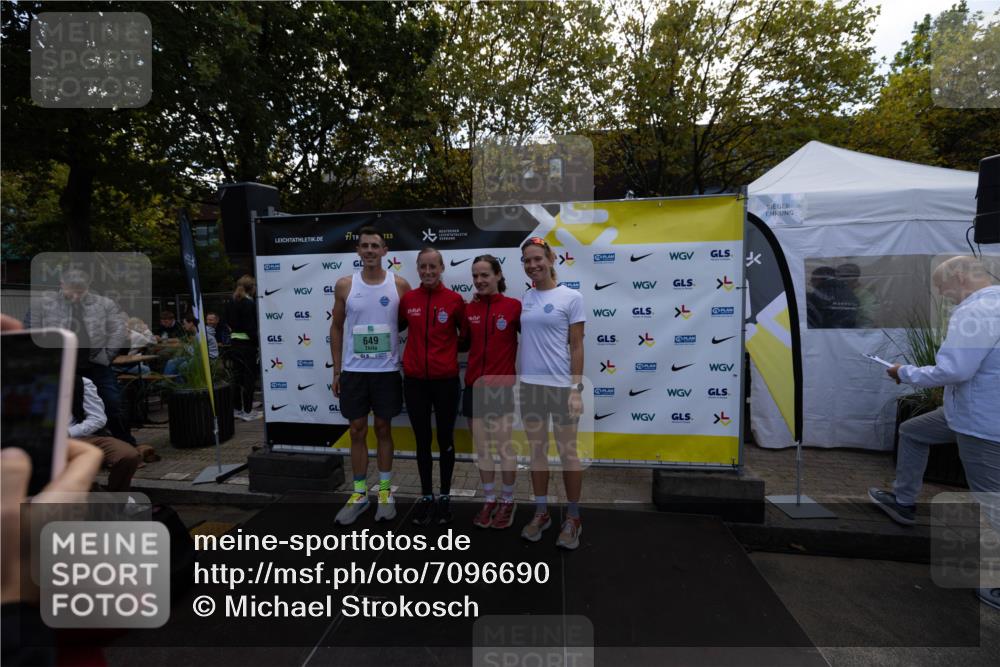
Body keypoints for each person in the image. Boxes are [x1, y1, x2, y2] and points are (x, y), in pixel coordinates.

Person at [867, 256, 999, 610]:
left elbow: (954, 370)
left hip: (982, 423)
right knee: (912, 431)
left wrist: (903, 372)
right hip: (973, 412)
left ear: (959, 277)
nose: (943, 296)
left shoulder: (974, 312)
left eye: (942, 288)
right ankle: (903, 501)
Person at [330, 227, 411, 525]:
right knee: (356, 430)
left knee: (384, 429)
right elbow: (336, 327)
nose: (369, 251)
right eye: (364, 246)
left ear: (385, 251)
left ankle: (386, 493)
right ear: (358, 252)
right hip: (354, 372)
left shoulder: (399, 284)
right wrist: (336, 369)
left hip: (387, 373)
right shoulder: (344, 285)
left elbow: (409, 323)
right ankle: (360, 493)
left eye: (375, 246)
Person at [517, 236, 586, 549]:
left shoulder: (571, 297)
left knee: (569, 454)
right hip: (531, 388)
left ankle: (573, 518)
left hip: (561, 388)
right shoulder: (526, 298)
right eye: (527, 261)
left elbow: (577, 346)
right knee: (537, 453)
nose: (533, 265)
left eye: (537, 259)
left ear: (550, 259)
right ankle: (542, 512)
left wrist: (576, 389)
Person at [24, 269, 136, 447]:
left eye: (80, 291)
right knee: (64, 408)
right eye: (72, 291)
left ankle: (127, 445)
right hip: (61, 366)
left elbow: (118, 330)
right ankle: (66, 447)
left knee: (113, 404)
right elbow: (30, 332)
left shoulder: (104, 304)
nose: (76, 296)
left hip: (96, 364)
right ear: (62, 285)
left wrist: (107, 356)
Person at [398, 247, 466, 526]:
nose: (428, 272)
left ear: (441, 268)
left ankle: (445, 497)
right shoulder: (408, 299)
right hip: (415, 382)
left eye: (433, 267)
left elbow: (465, 338)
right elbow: (400, 328)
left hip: (446, 382)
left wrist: (446, 354)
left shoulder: (454, 300)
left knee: (445, 440)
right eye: (423, 267)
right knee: (422, 441)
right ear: (417, 268)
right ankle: (426, 497)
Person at [462, 255, 521, 530]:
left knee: (504, 446)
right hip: (473, 386)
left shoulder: (514, 307)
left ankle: (507, 500)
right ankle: (489, 499)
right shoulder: (468, 310)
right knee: (482, 447)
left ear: (498, 275)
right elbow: (461, 343)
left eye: (485, 274)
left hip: (500, 388)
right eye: (475, 276)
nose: (479, 280)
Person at [69, 375, 140, 492]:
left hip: (78, 436)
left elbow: (98, 418)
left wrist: (69, 432)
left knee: (128, 455)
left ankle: (117, 501)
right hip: (43, 441)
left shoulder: (80, 382)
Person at [225, 276, 260, 421]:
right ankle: (248, 411)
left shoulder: (231, 302)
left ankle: (237, 409)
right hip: (247, 346)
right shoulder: (249, 303)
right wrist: (257, 343)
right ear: (251, 288)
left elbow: (228, 322)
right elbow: (251, 327)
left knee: (237, 377)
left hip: (234, 344)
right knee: (249, 378)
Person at [162, 313, 219, 379]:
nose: (183, 326)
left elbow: (196, 352)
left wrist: (185, 346)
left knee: (182, 366)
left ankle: (181, 386)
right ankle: (166, 382)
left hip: (207, 359)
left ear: (191, 323)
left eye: (185, 323)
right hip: (197, 357)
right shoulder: (195, 333)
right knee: (171, 362)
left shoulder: (202, 335)